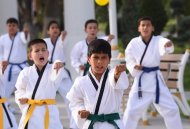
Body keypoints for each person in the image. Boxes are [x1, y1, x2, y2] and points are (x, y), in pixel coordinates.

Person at [123, 16, 183, 129]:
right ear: (139, 28)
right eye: (143, 25)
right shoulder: (133, 43)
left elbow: (164, 43)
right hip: (141, 82)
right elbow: (129, 59)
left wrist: (167, 45)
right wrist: (134, 66)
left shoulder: (158, 40)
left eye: (148, 25)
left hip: (157, 83)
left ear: (152, 28)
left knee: (172, 109)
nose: (145, 27)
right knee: (131, 111)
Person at [67, 39, 129, 129]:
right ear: (88, 59)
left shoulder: (114, 76)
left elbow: (119, 82)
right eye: (96, 57)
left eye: (103, 57)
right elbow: (75, 102)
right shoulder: (81, 81)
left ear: (109, 59)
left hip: (112, 125)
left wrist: (117, 75)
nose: (99, 61)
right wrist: (80, 110)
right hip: (91, 125)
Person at [15, 39, 71, 129]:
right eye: (37, 51)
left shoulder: (53, 69)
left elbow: (55, 78)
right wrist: (21, 98)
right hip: (31, 112)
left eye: (43, 50)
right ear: (30, 56)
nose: (41, 53)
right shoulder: (26, 72)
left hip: (49, 111)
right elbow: (19, 90)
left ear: (48, 53)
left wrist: (57, 64)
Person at [44, 20, 76, 129]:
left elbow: (61, 46)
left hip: (62, 72)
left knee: (71, 98)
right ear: (48, 31)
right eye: (52, 27)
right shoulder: (44, 42)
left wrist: (62, 38)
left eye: (57, 27)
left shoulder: (63, 39)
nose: (55, 29)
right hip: (48, 72)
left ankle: (74, 125)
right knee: (44, 99)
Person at [0, 18, 30, 98]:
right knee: (4, 90)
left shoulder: (21, 35)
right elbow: (1, 53)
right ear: (6, 27)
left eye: (14, 25)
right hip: (9, 68)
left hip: (22, 67)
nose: (11, 27)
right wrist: (1, 64)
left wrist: (26, 33)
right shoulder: (3, 38)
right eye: (9, 25)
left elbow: (25, 40)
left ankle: (29, 108)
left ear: (17, 27)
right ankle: (6, 108)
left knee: (28, 90)